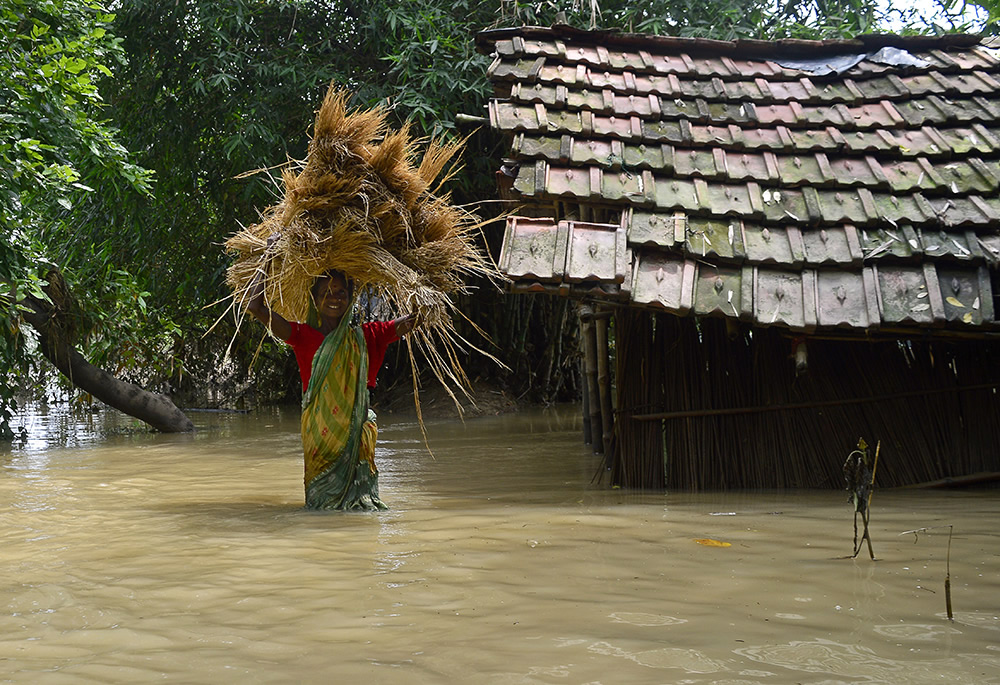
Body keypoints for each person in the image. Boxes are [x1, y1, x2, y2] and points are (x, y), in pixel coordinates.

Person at [246, 267, 416, 510]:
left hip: (355, 438)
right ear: (314, 300)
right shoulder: (301, 335)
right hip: (320, 439)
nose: (334, 298)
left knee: (362, 509)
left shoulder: (366, 336)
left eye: (340, 292)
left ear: (350, 298)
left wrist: (418, 278)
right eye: (326, 292)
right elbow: (255, 307)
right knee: (319, 506)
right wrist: (269, 254)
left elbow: (414, 319)